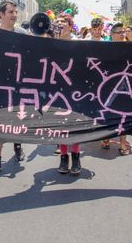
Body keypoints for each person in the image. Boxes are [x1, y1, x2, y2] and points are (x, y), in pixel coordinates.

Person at [0, 0, 28, 178]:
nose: (14, 14)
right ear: (1, 14)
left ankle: (17, 144)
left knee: (17, 120)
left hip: (18, 85)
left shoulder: (23, 34)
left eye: (15, 12)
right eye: (10, 12)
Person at [54, 13, 82, 174]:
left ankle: (76, 156)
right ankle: (64, 158)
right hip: (57, 91)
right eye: (57, 22)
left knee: (75, 124)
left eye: (63, 22)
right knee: (61, 125)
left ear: (70, 26)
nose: (60, 24)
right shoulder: (51, 43)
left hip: (75, 90)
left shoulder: (78, 44)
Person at [100, 22, 131, 155]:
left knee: (124, 114)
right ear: (112, 34)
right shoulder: (104, 48)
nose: (123, 34)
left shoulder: (131, 47)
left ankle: (123, 143)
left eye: (124, 32)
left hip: (125, 85)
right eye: (119, 32)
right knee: (106, 112)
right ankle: (105, 137)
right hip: (108, 85)